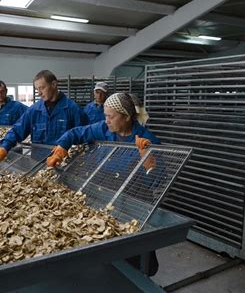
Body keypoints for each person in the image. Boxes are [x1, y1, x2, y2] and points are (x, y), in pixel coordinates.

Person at [46, 92, 160, 276]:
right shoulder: (105, 130)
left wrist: (149, 161)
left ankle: (139, 279)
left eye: (110, 116)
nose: (106, 120)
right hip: (107, 196)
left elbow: (157, 182)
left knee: (135, 253)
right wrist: (61, 149)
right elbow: (76, 133)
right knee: (109, 245)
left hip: (134, 203)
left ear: (127, 116)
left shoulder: (146, 140)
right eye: (105, 115)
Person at [0, 70, 85, 164]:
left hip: (63, 164)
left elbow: (84, 139)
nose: (39, 92)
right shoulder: (34, 110)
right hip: (37, 164)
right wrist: (4, 148)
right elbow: (17, 130)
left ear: (54, 84)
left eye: (42, 88)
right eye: (37, 89)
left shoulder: (73, 109)